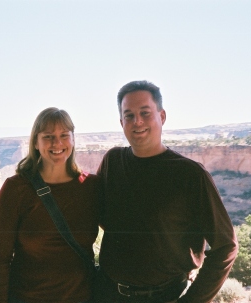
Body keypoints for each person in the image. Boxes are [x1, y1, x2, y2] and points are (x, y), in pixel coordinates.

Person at [95, 80, 239, 303]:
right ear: (121, 121)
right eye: (129, 115)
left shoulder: (189, 175)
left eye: (145, 112)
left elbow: (226, 245)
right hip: (107, 293)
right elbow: (101, 215)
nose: (137, 121)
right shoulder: (113, 161)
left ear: (161, 117)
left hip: (165, 296)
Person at [0, 107, 100, 303]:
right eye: (48, 136)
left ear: (73, 139)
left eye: (64, 135)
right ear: (36, 143)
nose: (57, 143)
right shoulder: (16, 189)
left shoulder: (91, 187)